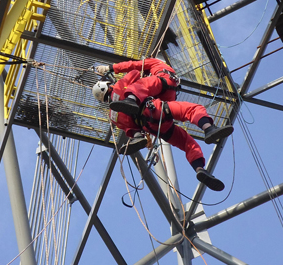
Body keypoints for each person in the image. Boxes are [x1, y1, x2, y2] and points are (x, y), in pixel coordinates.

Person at [92, 68, 233, 191]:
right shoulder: (120, 85)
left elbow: (128, 129)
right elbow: (135, 73)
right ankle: (208, 129)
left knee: (186, 142)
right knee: (192, 110)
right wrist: (144, 73)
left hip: (152, 128)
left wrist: (137, 133)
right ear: (107, 86)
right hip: (156, 111)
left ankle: (199, 169)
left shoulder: (113, 116)